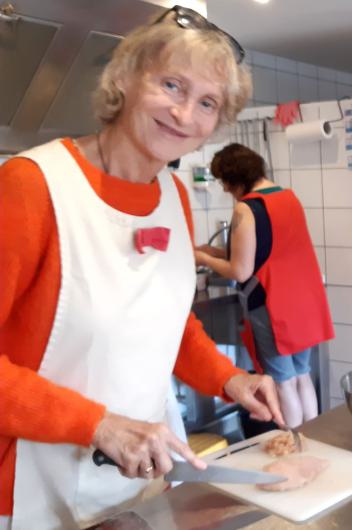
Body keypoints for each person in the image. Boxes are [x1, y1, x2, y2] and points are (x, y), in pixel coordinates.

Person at [0, 6, 286, 529]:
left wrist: (231, 379)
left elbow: (166, 323)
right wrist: (99, 425)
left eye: (206, 103)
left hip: (139, 481)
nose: (183, 114)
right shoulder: (31, 186)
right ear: (125, 79)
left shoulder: (173, 196)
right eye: (172, 85)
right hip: (29, 489)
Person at [194, 143, 334, 428]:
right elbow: (268, 252)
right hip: (304, 302)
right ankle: (316, 443)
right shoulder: (288, 197)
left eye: (224, 182)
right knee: (302, 374)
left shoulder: (247, 208)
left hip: (273, 307)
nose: (224, 189)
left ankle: (295, 448)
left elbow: (240, 271)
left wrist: (199, 257)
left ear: (236, 178)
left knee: (283, 382)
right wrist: (213, 251)